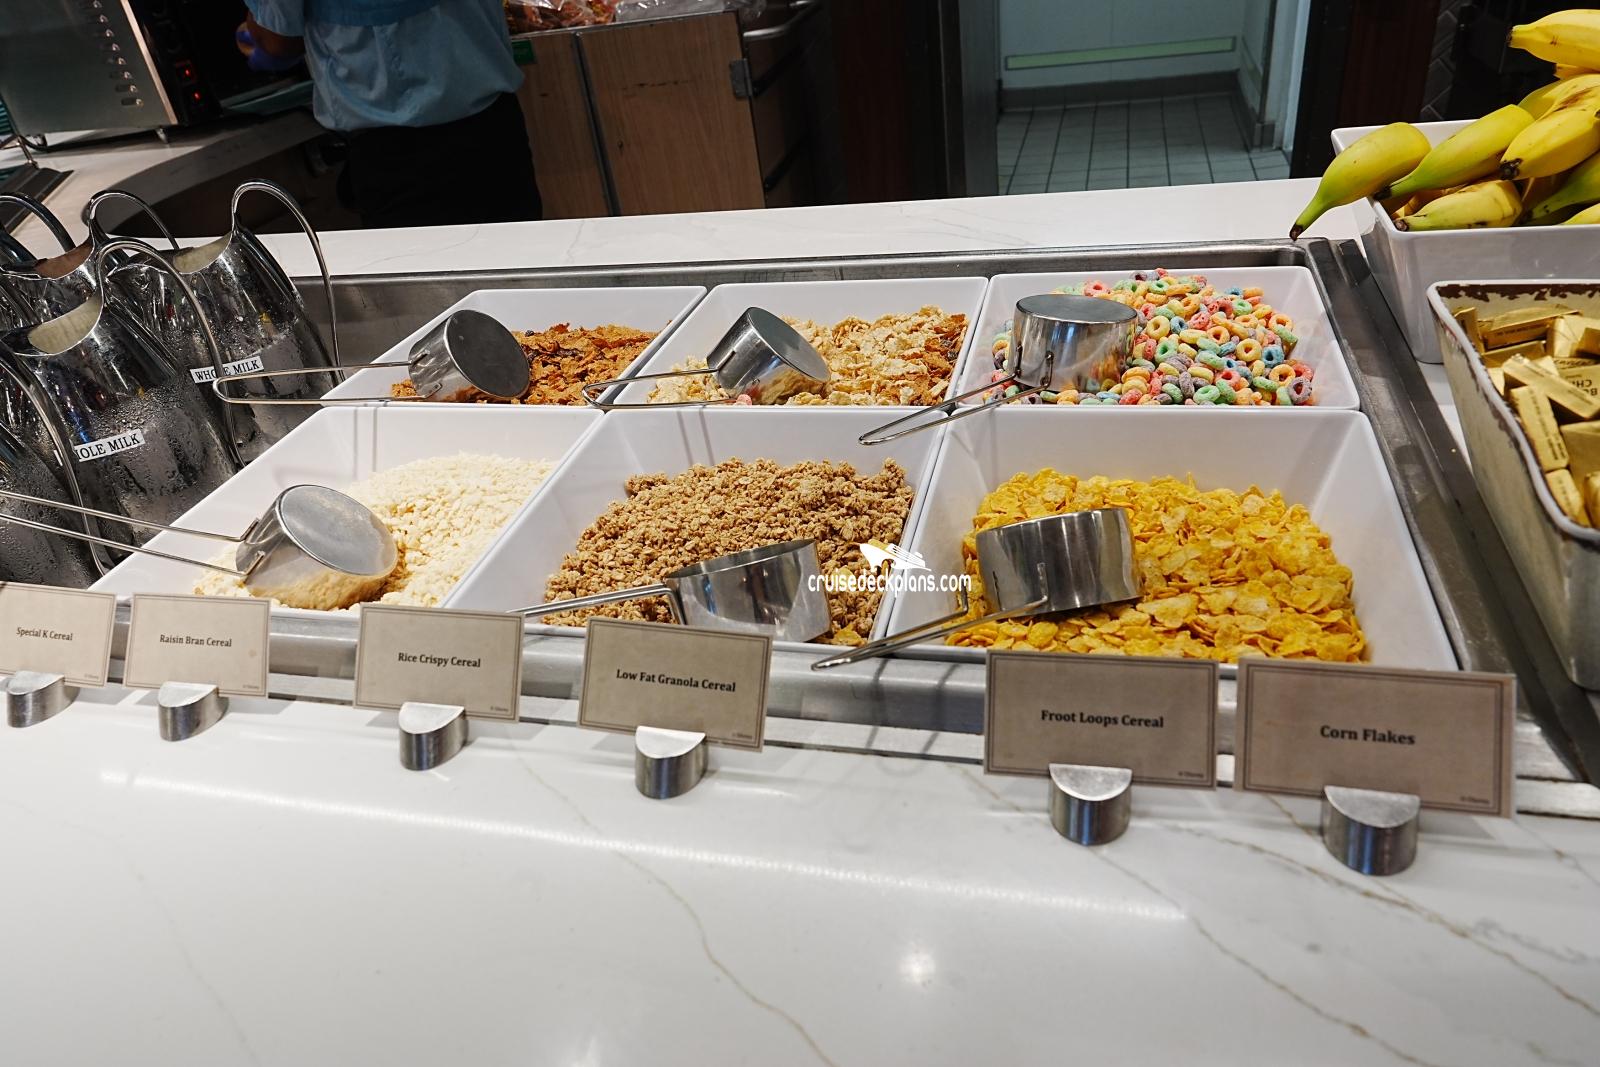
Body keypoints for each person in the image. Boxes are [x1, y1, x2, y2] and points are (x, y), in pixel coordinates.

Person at [237, 0, 543, 228]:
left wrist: (255, 35)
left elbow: (275, 39)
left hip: (401, 159)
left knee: (432, 288)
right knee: (520, 274)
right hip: (496, 132)